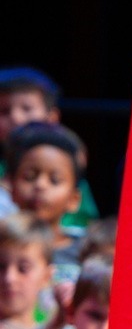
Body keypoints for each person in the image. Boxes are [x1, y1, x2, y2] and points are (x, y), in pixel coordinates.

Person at [0, 66, 99, 230]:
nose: (16, 118)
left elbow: (83, 225)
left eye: (27, 108)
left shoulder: (68, 168)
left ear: (52, 117)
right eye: (4, 111)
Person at [4, 120, 89, 293]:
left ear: (74, 199)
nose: (40, 185)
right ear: (11, 188)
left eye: (54, 180)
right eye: (29, 177)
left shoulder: (86, 251)